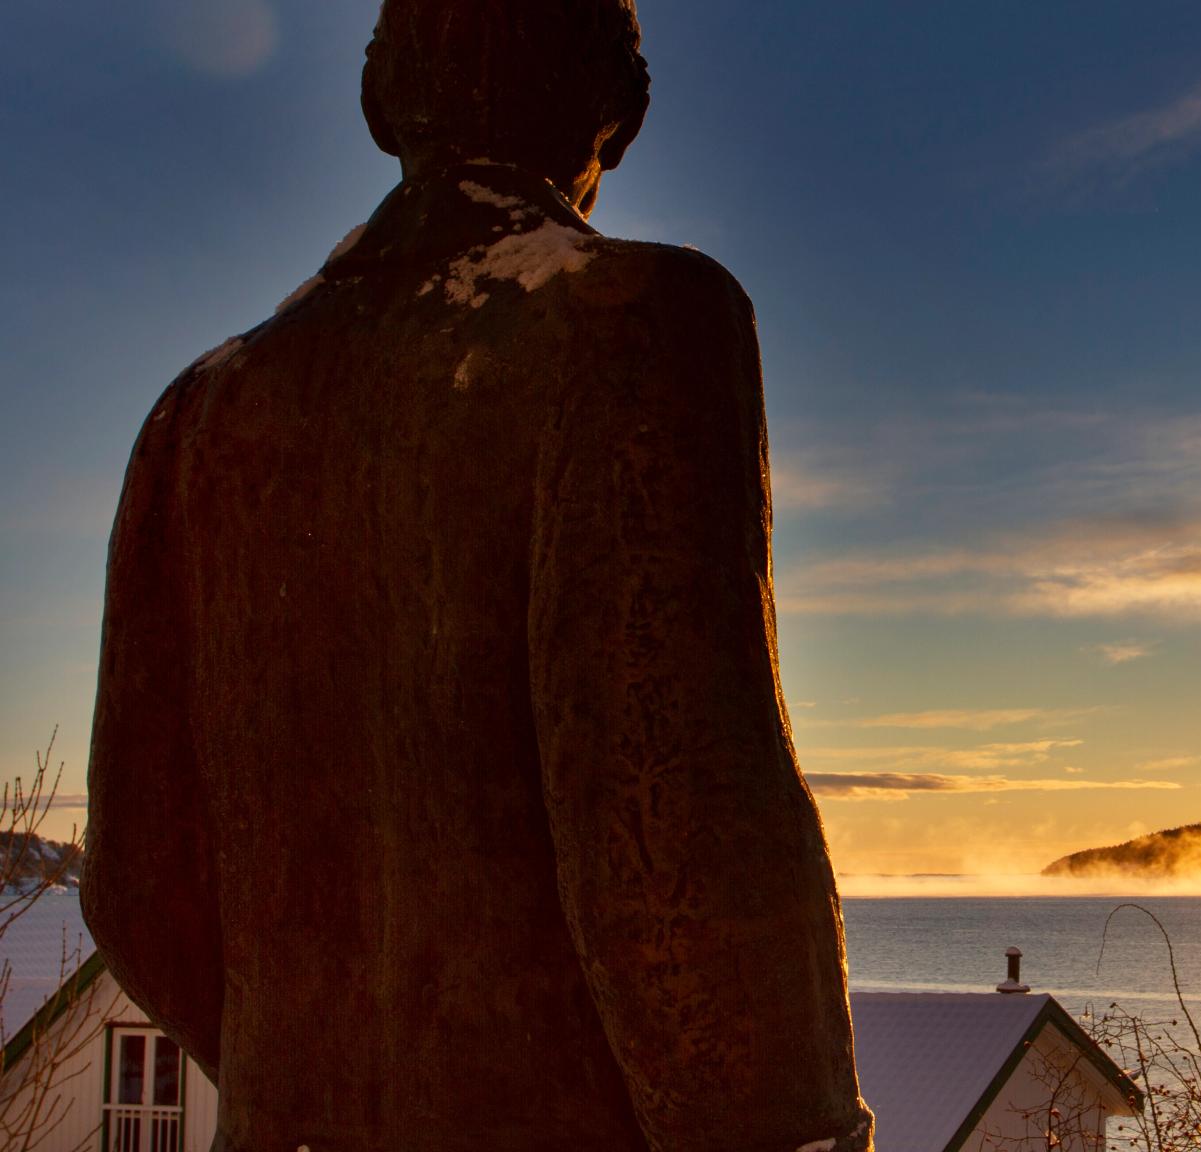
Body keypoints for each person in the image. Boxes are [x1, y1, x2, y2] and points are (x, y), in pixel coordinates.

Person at [82, 3, 873, 1149]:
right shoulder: (631, 320)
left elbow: (139, 888)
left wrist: (311, 1074)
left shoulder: (199, 411)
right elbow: (674, 821)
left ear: (376, 104)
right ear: (624, 111)